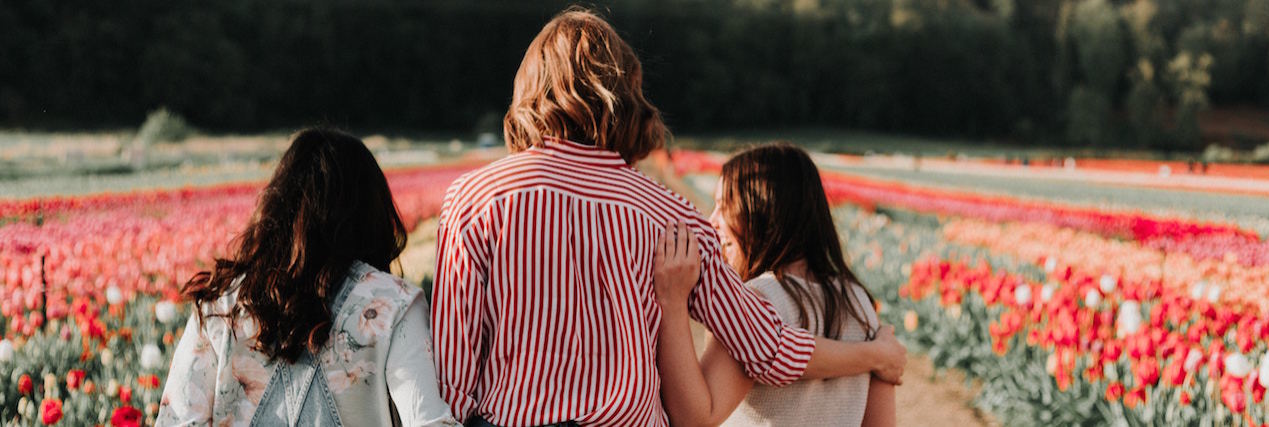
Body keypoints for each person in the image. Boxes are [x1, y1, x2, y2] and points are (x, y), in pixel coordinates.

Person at [431, 8, 906, 427]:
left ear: (529, 93)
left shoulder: (474, 199)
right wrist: (874, 355)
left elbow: (452, 376)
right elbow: (768, 350)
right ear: (625, 93)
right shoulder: (673, 218)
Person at [156, 129, 456, 426]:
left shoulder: (223, 302)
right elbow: (428, 421)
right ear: (371, 211)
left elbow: (178, 421)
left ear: (277, 205)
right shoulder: (393, 304)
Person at [654, 143, 896, 427]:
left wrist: (672, 303)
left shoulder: (757, 299)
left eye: (724, 206)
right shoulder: (859, 302)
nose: (712, 221)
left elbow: (693, 418)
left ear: (761, 211)